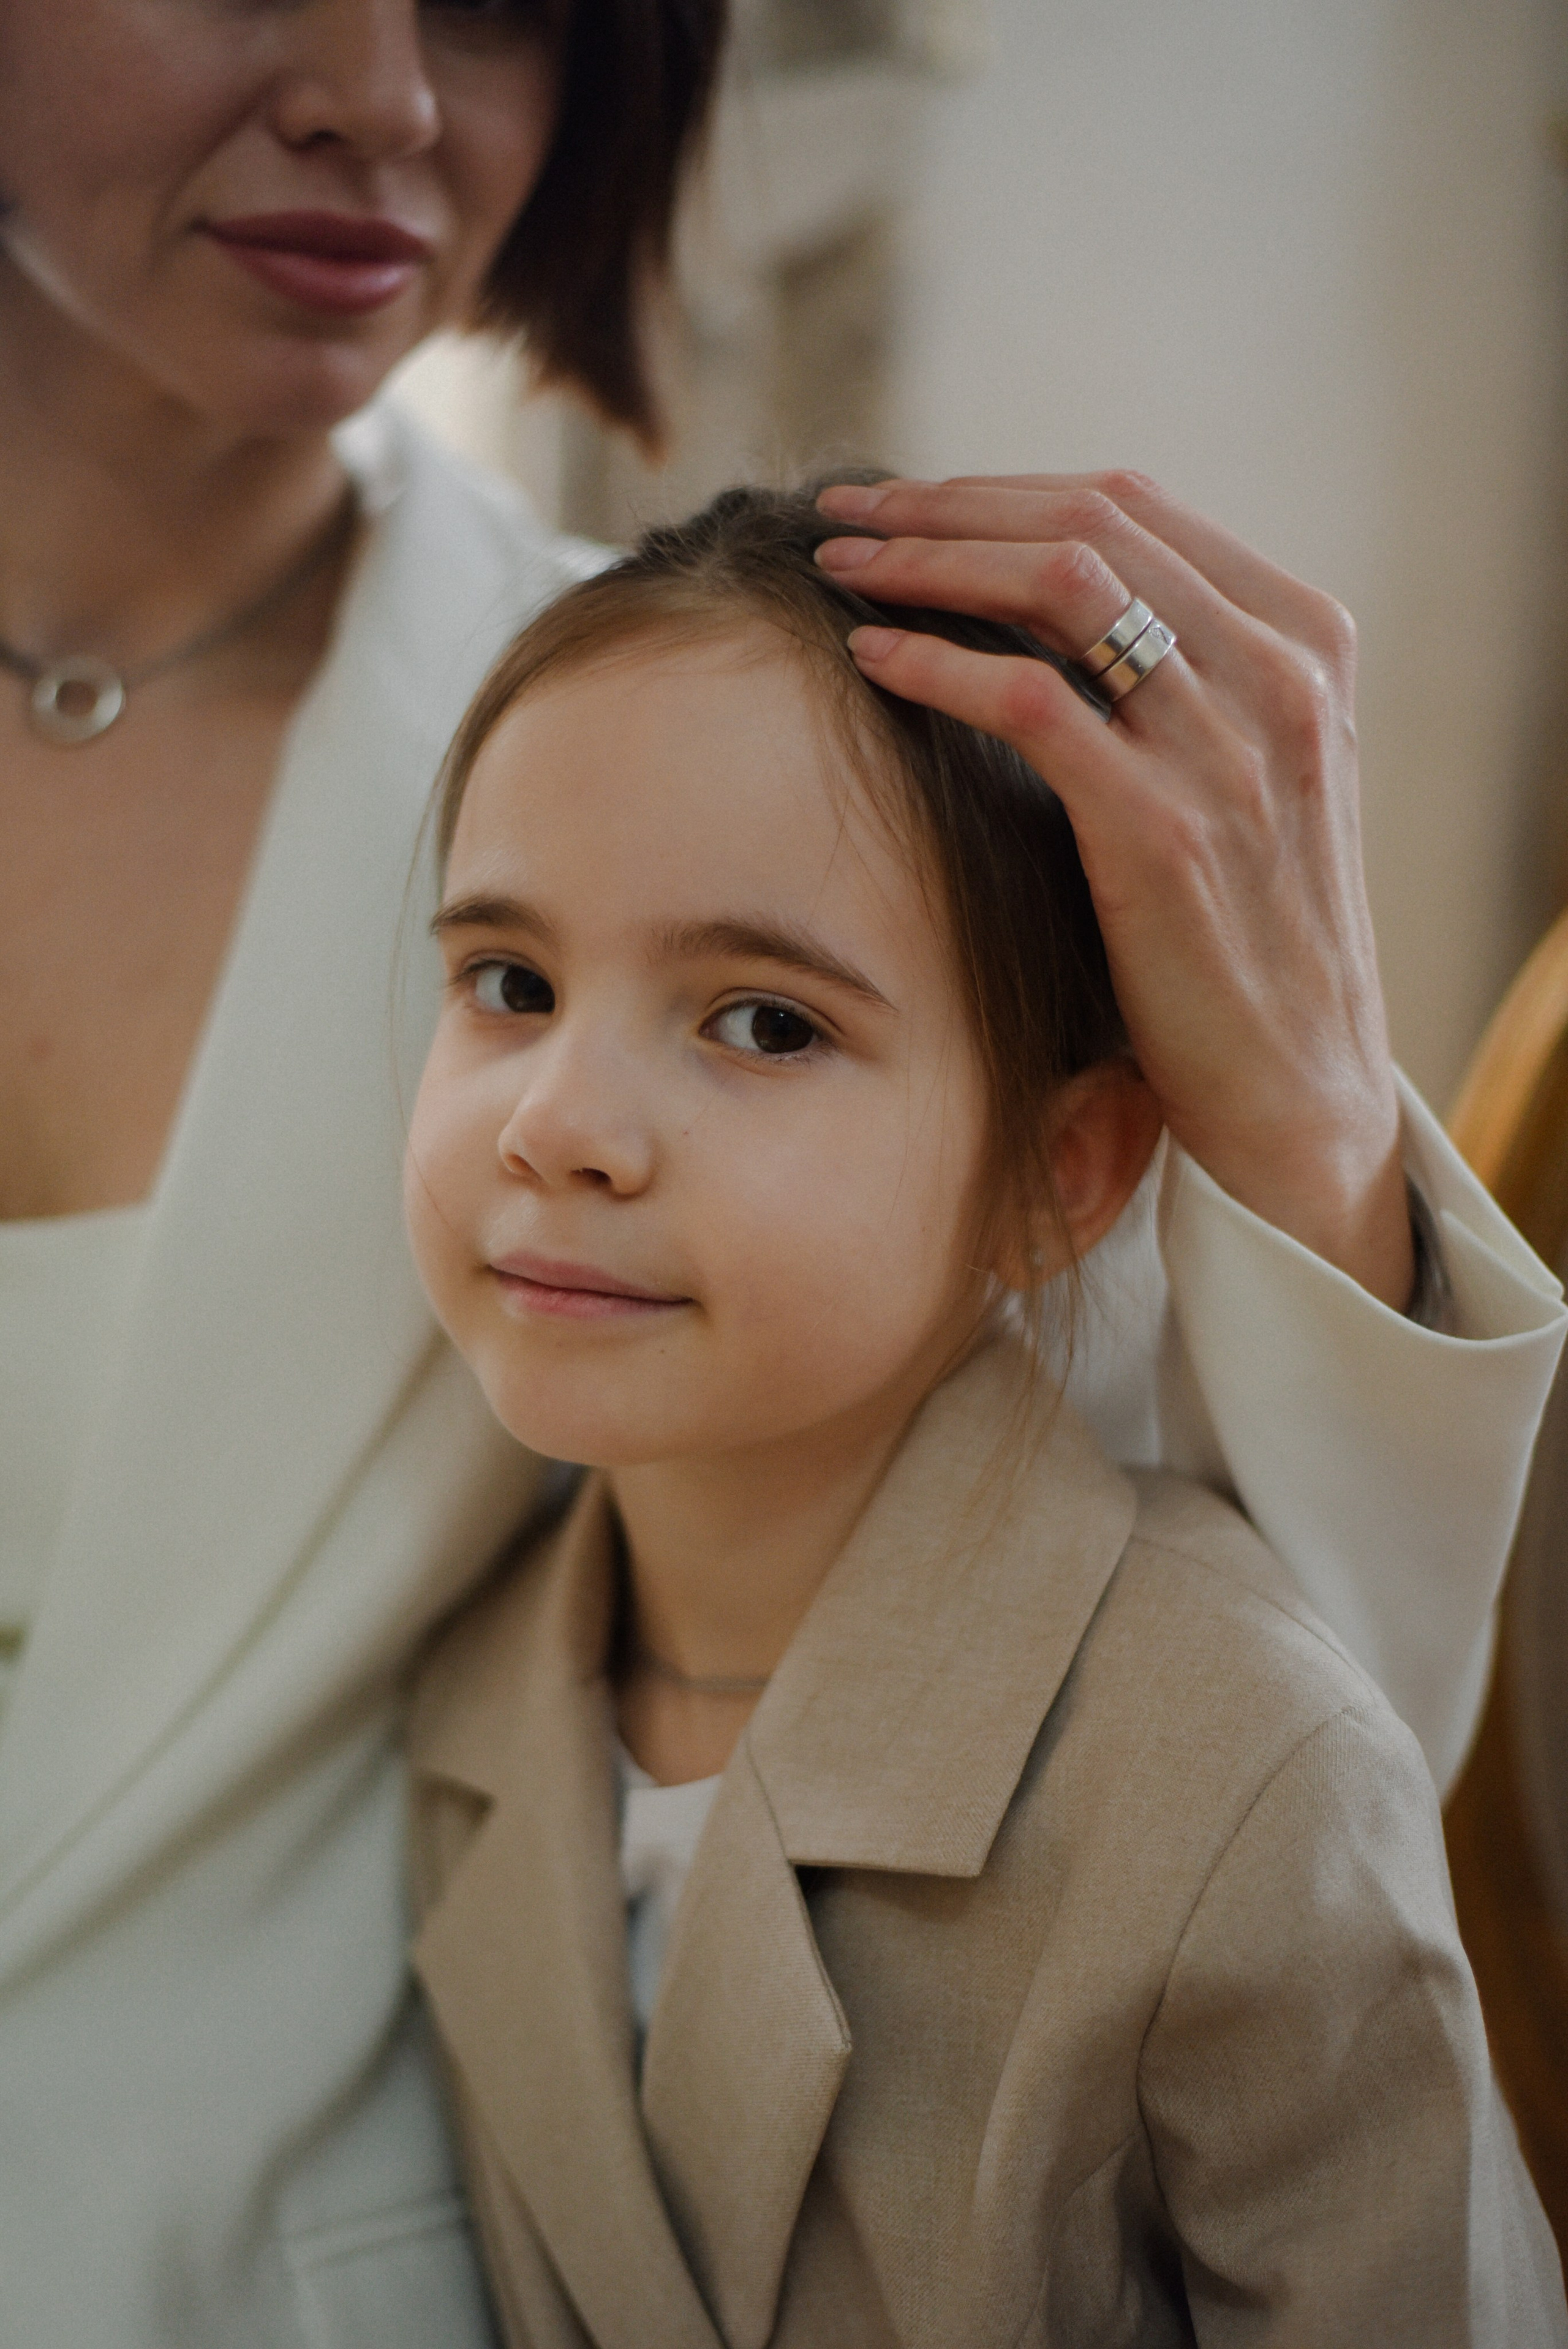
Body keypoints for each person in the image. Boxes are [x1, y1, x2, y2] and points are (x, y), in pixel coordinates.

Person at [0, 4, 1560, 2345]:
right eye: (501, 987)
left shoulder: (711, 743)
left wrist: (1310, 1129)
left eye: (505, 0)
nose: (383, 94)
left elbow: (1184, 1704)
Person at [402, 486, 1568, 2344]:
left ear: (1062, 1166)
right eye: (510, 983)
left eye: (763, 1023)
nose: (558, 1122)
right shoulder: (467, 1713)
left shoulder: (1238, 1765)